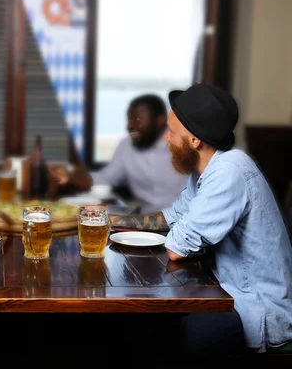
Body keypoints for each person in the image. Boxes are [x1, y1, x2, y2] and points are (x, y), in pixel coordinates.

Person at [109, 83, 292, 359]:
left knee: (174, 335)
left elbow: (177, 247)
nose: (166, 139)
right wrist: (114, 220)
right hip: (222, 290)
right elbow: (172, 217)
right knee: (142, 325)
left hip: (257, 307)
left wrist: (175, 233)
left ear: (194, 140)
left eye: (172, 132)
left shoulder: (230, 171)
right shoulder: (204, 171)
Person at [49, 94, 187, 213]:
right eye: (129, 120)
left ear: (160, 120)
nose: (131, 125)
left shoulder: (182, 145)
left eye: (138, 120)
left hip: (184, 224)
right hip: (146, 223)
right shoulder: (125, 146)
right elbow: (105, 178)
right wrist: (69, 177)